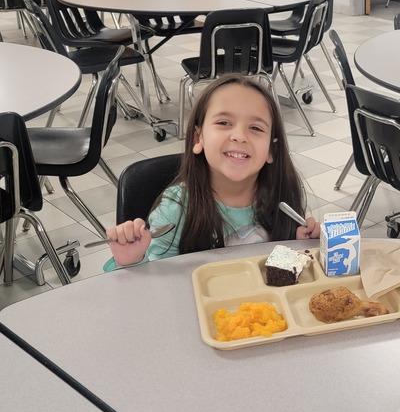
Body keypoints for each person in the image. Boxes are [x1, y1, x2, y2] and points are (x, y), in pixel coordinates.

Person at [106, 75, 320, 269]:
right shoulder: (177, 209)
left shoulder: (282, 197)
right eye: (224, 123)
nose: (239, 136)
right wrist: (130, 261)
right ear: (198, 138)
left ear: (271, 150)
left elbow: (288, 266)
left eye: (255, 128)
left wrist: (302, 242)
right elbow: (154, 285)